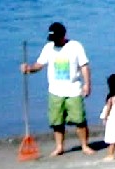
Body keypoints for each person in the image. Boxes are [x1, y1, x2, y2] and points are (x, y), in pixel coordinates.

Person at [21, 21, 94, 156]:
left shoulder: (75, 46)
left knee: (79, 120)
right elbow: (39, 65)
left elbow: (84, 66)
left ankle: (85, 145)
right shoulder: (48, 48)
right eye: (52, 39)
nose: (54, 41)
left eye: (56, 38)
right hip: (55, 91)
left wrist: (87, 84)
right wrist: (29, 69)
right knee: (57, 121)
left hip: (73, 90)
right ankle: (59, 147)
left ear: (63, 35)